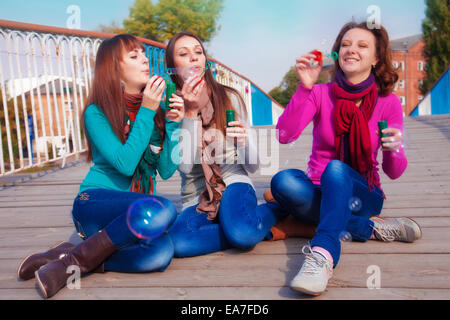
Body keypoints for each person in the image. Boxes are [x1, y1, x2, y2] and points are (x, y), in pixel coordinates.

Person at [16, 34, 184, 299]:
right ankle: (72, 264)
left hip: (132, 215)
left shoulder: (155, 112)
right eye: (134, 55)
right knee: (163, 208)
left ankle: (66, 254)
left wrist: (174, 124)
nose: (144, 59)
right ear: (114, 68)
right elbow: (125, 165)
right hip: (93, 204)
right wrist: (148, 110)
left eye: (143, 53)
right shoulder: (96, 112)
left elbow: (165, 170)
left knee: (161, 253)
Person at [269, 22, 422, 296]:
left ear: (376, 59)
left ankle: (323, 254)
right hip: (316, 187)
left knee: (336, 170)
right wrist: (304, 88)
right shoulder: (319, 93)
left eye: (362, 46)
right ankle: (371, 229)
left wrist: (394, 149)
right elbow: (284, 135)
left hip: (364, 193)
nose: (351, 50)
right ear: (338, 52)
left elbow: (394, 171)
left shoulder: (387, 103)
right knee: (282, 183)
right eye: (346, 44)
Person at [165, 31, 287, 257]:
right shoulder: (172, 108)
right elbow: (183, 166)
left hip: (234, 182)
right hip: (195, 195)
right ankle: (249, 223)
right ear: (173, 66)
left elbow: (253, 167)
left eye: (198, 52)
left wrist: (243, 143)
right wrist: (190, 114)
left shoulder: (229, 97)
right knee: (179, 243)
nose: (193, 58)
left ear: (205, 61)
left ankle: (275, 210)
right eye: (184, 54)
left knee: (243, 236)